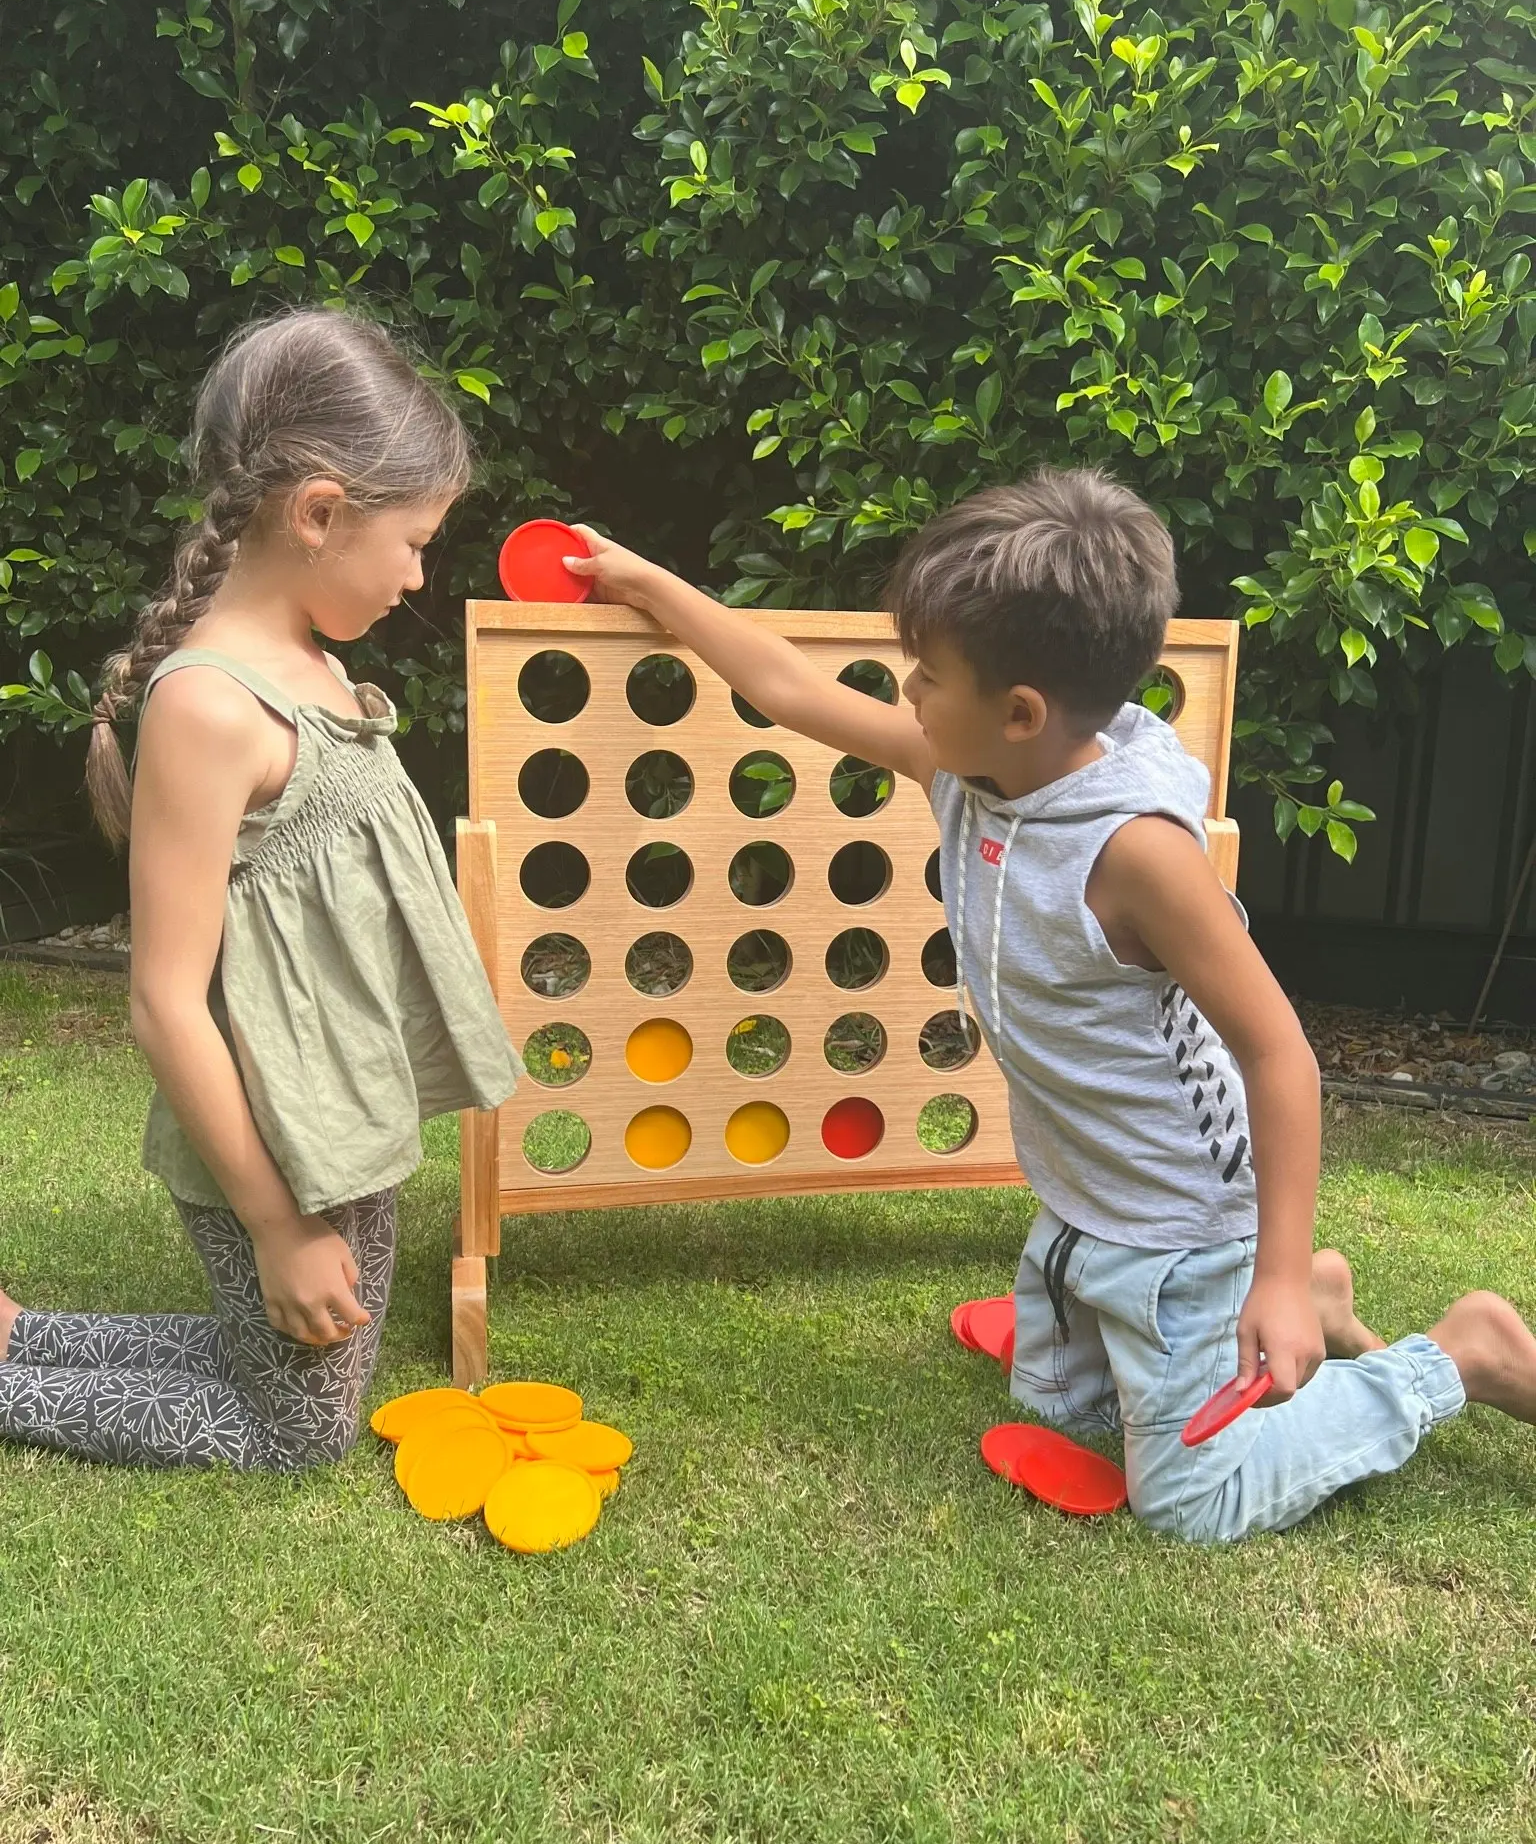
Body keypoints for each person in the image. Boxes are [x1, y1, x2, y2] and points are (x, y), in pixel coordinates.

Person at [565, 471, 1536, 1540]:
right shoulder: (967, 765)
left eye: (927, 675)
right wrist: (652, 584)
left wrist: (1270, 1271)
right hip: (1083, 1197)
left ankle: (1456, 1353)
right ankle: (1310, 1291)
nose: (906, 693)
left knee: (1191, 1503)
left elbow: (1279, 1055)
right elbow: (791, 688)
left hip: (1179, 1219)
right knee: (1051, 1410)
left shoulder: (1138, 856)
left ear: (1021, 711)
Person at [0, 308, 520, 1471]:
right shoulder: (208, 705)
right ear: (321, 512)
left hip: (345, 1114)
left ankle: (20, 1334)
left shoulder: (316, 659)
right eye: (415, 540)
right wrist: (277, 1224)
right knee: (296, 1432)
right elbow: (163, 1001)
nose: (421, 575)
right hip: (274, 1136)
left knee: (295, 1364)